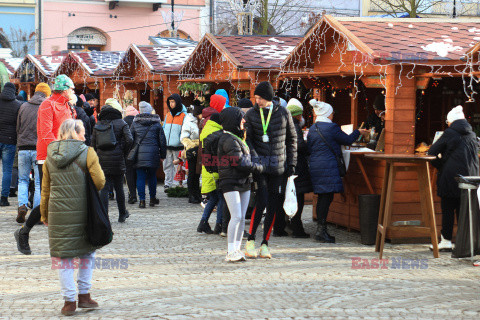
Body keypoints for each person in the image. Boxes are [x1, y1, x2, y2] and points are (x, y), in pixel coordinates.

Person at [40, 119, 105, 316]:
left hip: (57, 213)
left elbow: (45, 189)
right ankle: (84, 296)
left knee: (64, 257)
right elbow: (100, 181)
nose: (85, 136)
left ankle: (69, 302)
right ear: (74, 133)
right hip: (84, 210)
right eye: (82, 132)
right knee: (88, 252)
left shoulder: (50, 155)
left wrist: (44, 214)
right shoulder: (88, 152)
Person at [14, 74, 76, 255]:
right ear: (64, 90)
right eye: (71, 89)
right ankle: (25, 232)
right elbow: (45, 133)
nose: (73, 92)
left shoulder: (68, 106)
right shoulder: (47, 105)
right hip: (49, 157)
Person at [244, 81, 297, 259]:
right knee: (262, 201)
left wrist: (292, 164)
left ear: (268, 98)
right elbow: (248, 140)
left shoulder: (283, 113)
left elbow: (292, 139)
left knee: (274, 205)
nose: (257, 101)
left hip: (279, 166)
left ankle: (265, 243)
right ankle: (251, 239)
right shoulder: (252, 114)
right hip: (261, 166)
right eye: (256, 98)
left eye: (260, 98)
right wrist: (255, 157)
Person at [307, 100, 368, 243]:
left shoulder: (312, 128)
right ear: (328, 114)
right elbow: (347, 140)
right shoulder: (332, 128)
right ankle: (321, 231)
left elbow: (310, 148)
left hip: (315, 165)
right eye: (332, 113)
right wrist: (358, 132)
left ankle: (321, 230)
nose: (333, 115)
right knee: (326, 198)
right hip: (328, 166)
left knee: (323, 197)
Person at [428, 105, 479, 251]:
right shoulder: (472, 134)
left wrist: (441, 165)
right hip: (471, 178)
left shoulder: (449, 132)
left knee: (448, 209)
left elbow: (432, 152)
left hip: (451, 177)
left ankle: (446, 241)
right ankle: (467, 242)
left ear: (451, 121)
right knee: (465, 210)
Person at [218, 107, 265, 262]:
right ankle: (230, 251)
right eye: (241, 118)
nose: (244, 121)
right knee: (236, 216)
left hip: (243, 181)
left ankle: (237, 249)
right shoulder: (228, 140)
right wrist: (259, 168)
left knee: (241, 217)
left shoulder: (237, 138)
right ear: (234, 121)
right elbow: (240, 162)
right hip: (230, 182)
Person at [92, 101, 133, 222]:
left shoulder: (98, 124)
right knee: (119, 187)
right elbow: (129, 139)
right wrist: (123, 151)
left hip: (102, 160)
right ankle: (122, 214)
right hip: (118, 159)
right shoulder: (121, 123)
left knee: (104, 188)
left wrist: (97, 156)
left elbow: (93, 144)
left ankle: (105, 215)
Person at [15, 83, 50, 223]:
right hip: (38, 149)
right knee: (38, 182)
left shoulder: (23, 106)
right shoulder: (46, 107)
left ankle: (22, 205)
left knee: (22, 180)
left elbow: (18, 127)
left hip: (23, 147)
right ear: (46, 94)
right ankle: (37, 213)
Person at [131, 100, 167, 208]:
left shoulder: (135, 123)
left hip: (139, 154)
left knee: (140, 177)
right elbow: (162, 140)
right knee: (152, 176)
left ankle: (142, 201)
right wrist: (163, 155)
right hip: (153, 153)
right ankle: (152, 198)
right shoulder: (156, 123)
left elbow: (130, 139)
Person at [286, 98, 312, 238]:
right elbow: (299, 145)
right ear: (297, 115)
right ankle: (297, 228)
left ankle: (293, 225)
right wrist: (309, 145)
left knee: (293, 196)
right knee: (298, 197)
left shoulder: (285, 124)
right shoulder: (294, 125)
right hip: (297, 167)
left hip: (290, 165)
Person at [197, 113, 225, 234]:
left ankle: (203, 223)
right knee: (221, 198)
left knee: (214, 198)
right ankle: (219, 224)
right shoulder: (217, 133)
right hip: (215, 170)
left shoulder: (206, 129)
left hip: (207, 169)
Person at [0, 82, 22, 206]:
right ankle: (4, 198)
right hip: (9, 141)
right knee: (7, 170)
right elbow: (19, 125)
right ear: (14, 92)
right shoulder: (17, 105)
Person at [162, 95, 187, 191]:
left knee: (179, 166)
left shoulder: (184, 115)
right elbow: (164, 128)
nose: (171, 104)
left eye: (173, 102)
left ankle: (179, 184)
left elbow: (185, 131)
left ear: (177, 102)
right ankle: (168, 183)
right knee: (167, 165)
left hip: (178, 146)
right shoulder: (168, 115)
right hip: (167, 146)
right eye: (170, 102)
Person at [181, 103, 202, 203]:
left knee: (198, 173)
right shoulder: (188, 121)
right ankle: (191, 194)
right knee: (192, 172)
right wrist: (192, 146)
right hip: (192, 150)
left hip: (201, 149)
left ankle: (197, 193)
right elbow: (184, 137)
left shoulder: (202, 121)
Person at [124, 105, 139, 203]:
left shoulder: (123, 122)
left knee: (129, 173)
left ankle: (132, 194)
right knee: (137, 172)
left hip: (127, 151)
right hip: (137, 150)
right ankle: (137, 192)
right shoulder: (138, 122)